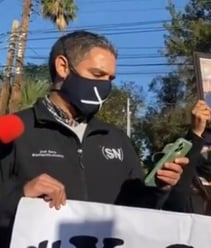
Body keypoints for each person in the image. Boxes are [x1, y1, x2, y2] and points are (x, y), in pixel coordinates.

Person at [0, 31, 188, 246]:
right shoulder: (13, 131)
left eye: (110, 79)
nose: (105, 87)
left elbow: (138, 215)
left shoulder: (116, 139)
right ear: (63, 67)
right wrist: (22, 195)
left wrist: (159, 187)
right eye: (97, 75)